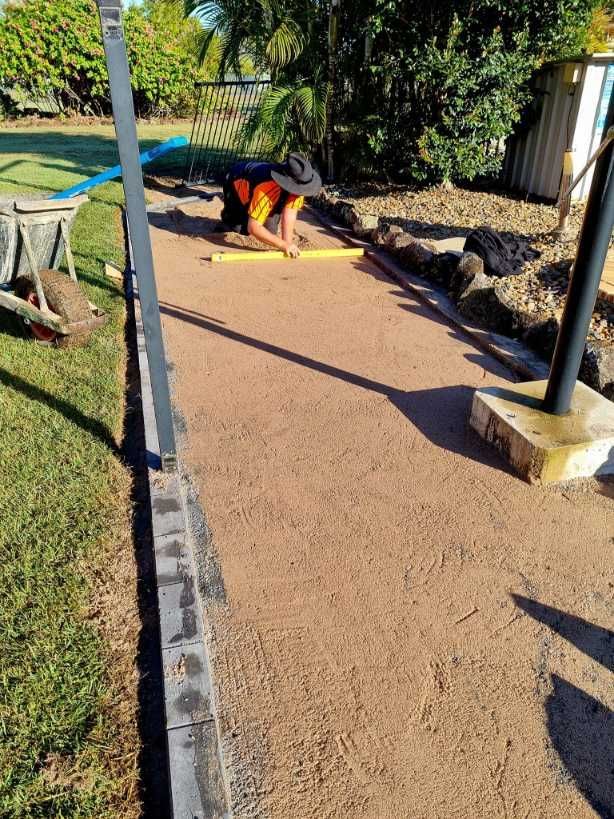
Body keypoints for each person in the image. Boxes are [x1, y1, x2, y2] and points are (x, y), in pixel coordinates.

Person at [221, 152, 322, 258]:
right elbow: (253, 227)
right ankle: (229, 217)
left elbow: (290, 213)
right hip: (236, 181)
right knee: (241, 230)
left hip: (266, 190)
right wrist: (282, 245)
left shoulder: (300, 185)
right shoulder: (266, 187)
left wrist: (287, 243)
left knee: (270, 232)